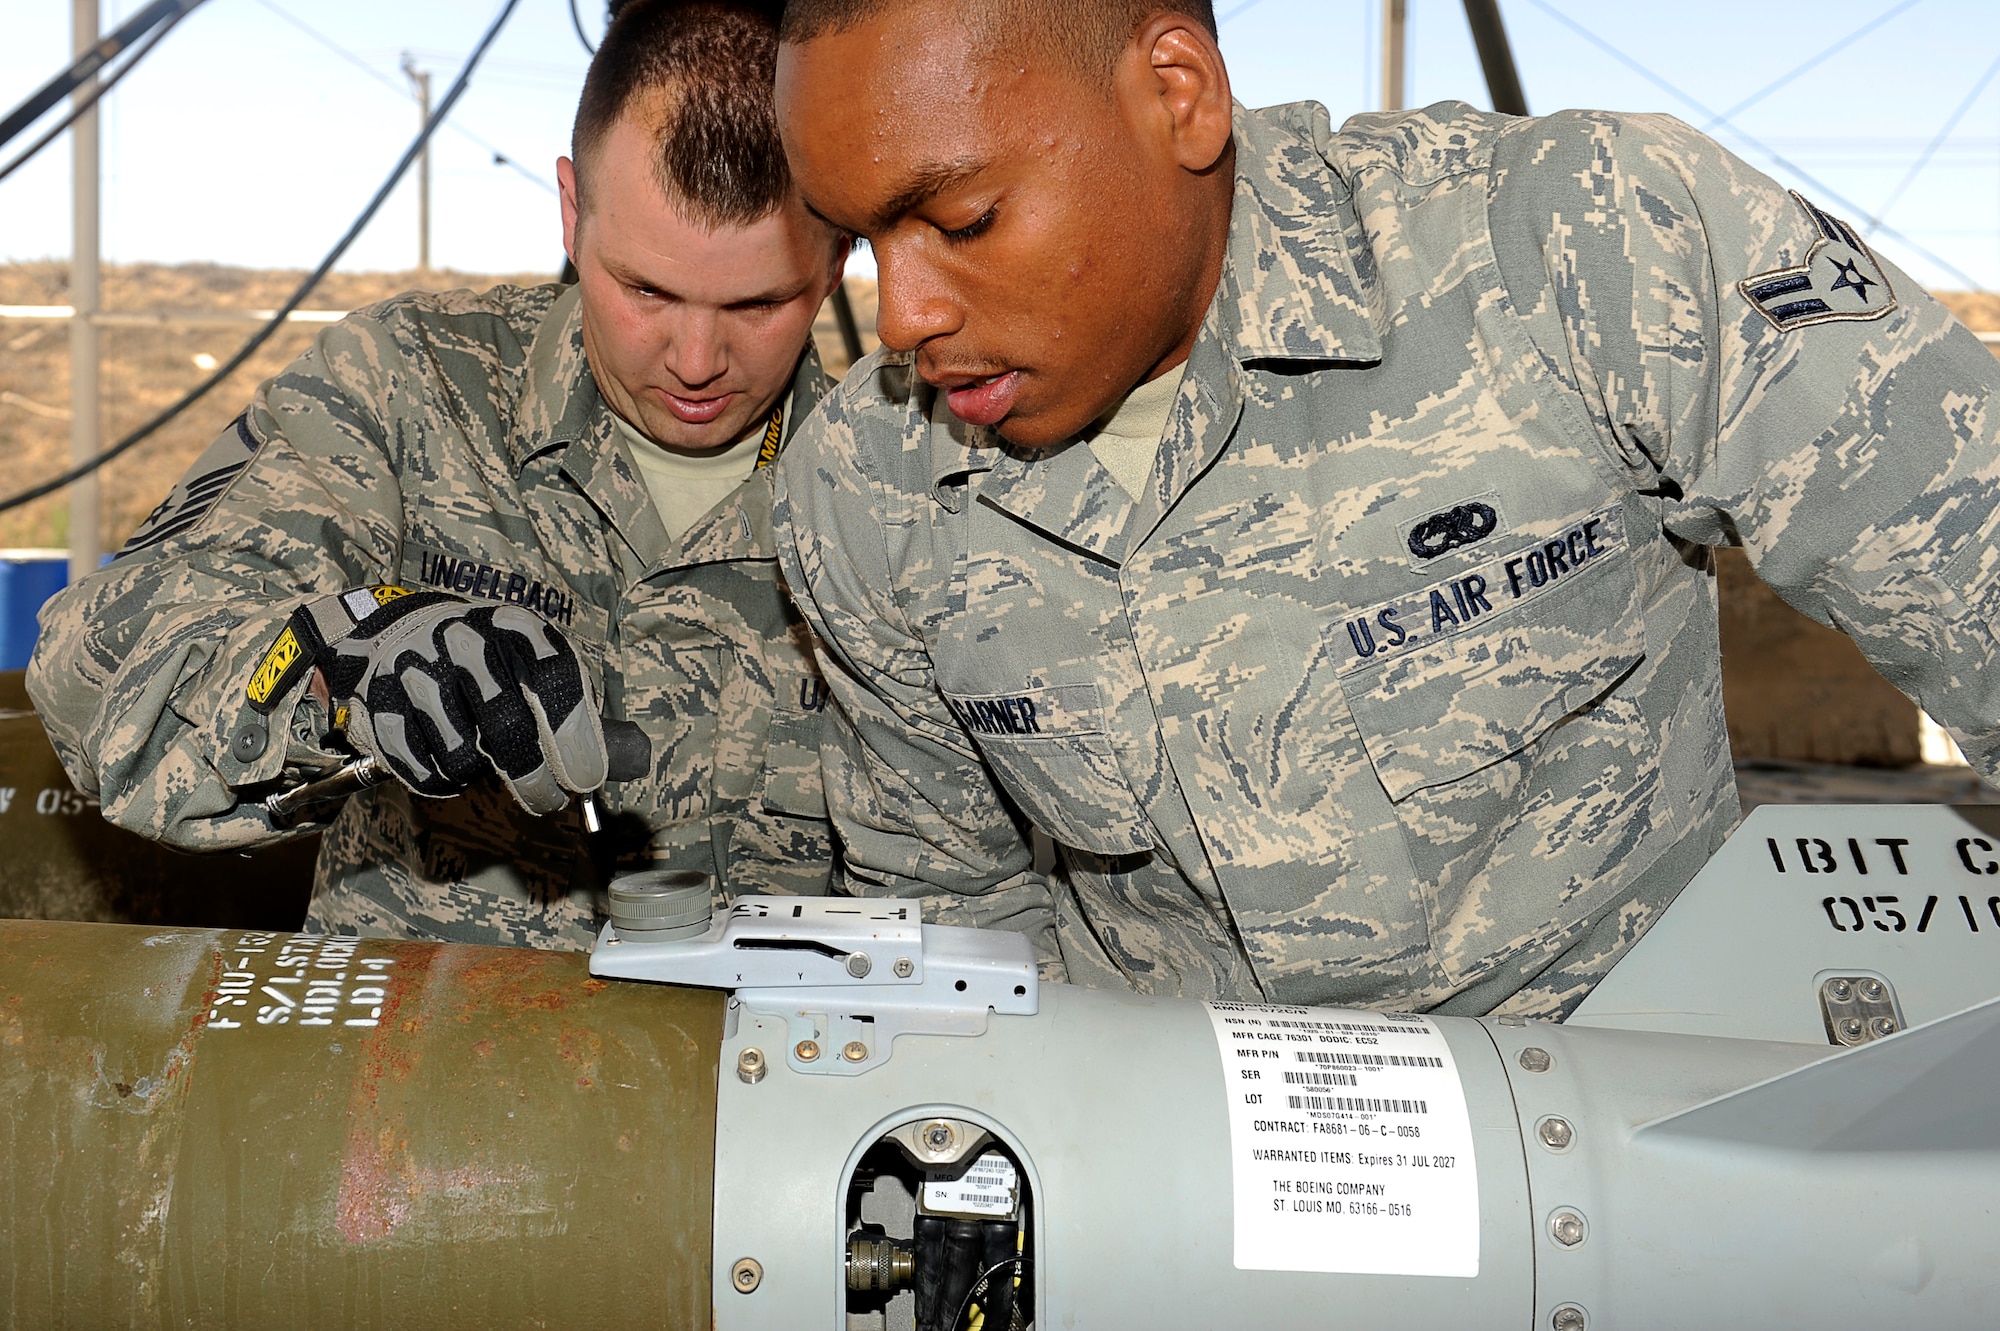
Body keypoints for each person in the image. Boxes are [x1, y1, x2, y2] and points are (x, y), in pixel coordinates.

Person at [770, 0, 2000, 1017]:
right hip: (1197, 1189)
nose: (906, 314)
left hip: (1648, 1151)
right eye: (863, 240)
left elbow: (1979, 570)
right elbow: (949, 939)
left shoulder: (1575, 246)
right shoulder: (867, 485)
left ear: (1176, 94)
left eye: (962, 219)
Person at [28, 0, 849, 949]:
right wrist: (345, 660)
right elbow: (99, 669)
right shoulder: (406, 387)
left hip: (751, 1087)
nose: (697, 357)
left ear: (835, 257)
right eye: (646, 290)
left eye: (760, 302)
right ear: (573, 213)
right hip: (408, 1074)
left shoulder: (904, 482)